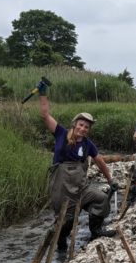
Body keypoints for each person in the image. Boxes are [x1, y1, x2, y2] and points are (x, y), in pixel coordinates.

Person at [38, 80, 118, 250]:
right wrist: (43, 95)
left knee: (101, 199)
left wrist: (110, 180)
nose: (83, 129)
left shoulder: (88, 144)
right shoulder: (61, 133)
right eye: (81, 125)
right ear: (75, 124)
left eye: (86, 127)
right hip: (62, 186)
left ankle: (95, 231)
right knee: (65, 221)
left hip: (81, 187)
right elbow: (45, 115)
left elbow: (100, 162)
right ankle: (61, 243)